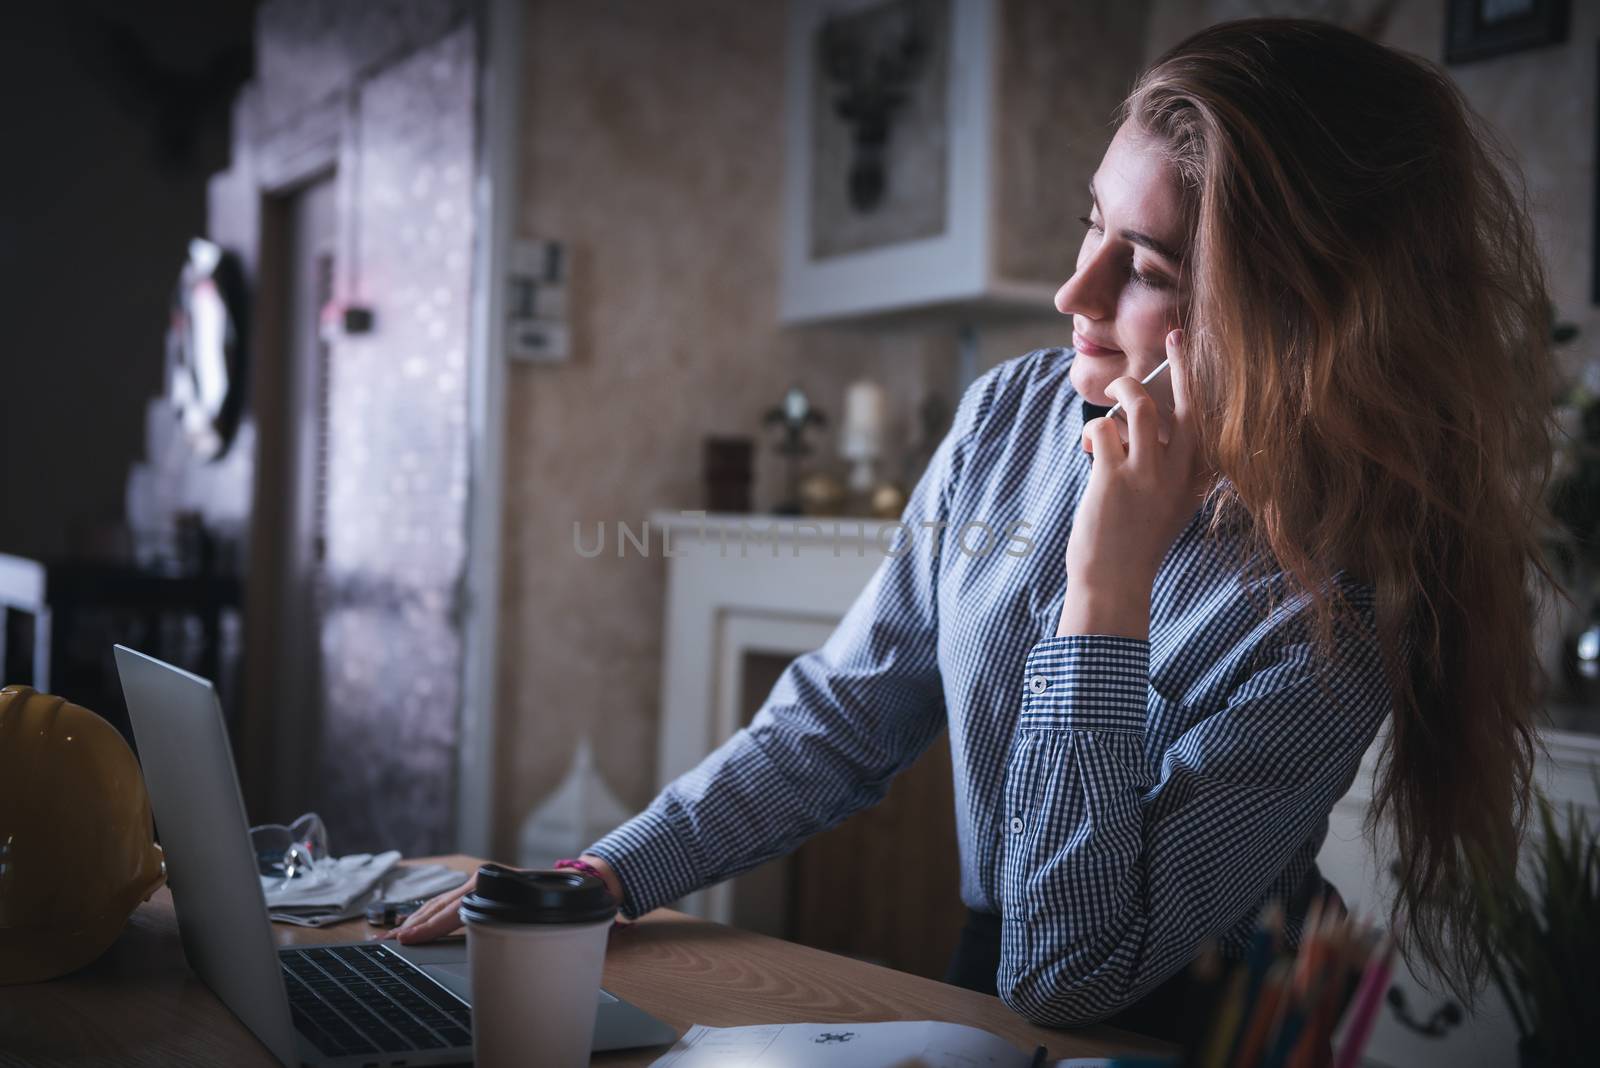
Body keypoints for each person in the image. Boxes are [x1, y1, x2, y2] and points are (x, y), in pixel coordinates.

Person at [394, 17, 1554, 1037]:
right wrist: (612, 871)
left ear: (1298, 319)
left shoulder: (1332, 621)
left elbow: (1071, 969)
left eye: (1141, 266)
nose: (1073, 293)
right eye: (1087, 225)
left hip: (1205, 1021)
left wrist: (1107, 584)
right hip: (989, 974)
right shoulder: (1014, 415)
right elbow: (848, 711)